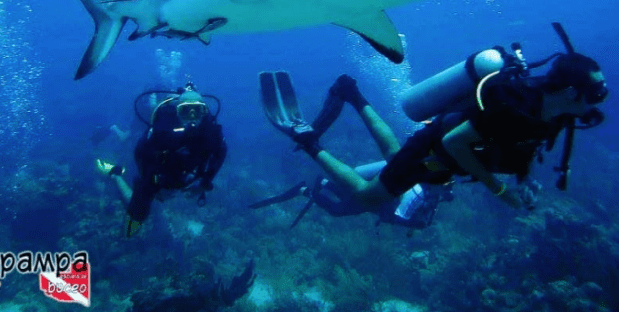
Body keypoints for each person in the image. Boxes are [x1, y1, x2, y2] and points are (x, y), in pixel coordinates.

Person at [261, 23, 608, 215]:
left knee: (394, 156)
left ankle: (352, 94)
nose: (599, 102)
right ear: (571, 92)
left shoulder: (558, 114)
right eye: (596, 93)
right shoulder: (515, 108)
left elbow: (525, 149)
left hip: (441, 159)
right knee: (368, 196)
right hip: (435, 150)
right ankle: (308, 141)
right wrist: (500, 190)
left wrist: (524, 179)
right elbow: (455, 143)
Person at [253, 71, 453, 230]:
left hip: (438, 143)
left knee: (395, 155)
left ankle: (352, 93)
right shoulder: (422, 207)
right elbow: (396, 214)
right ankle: (309, 147)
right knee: (360, 198)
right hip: (435, 164)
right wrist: (412, 222)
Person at [97, 82, 227, 237]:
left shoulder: (211, 132)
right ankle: (115, 174)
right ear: (177, 112)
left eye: (197, 110)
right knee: (137, 214)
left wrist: (204, 182)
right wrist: (151, 181)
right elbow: (140, 152)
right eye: (185, 110)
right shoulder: (163, 130)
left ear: (204, 112)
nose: (192, 116)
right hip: (160, 174)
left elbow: (221, 153)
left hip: (187, 175)